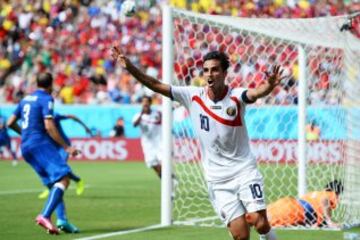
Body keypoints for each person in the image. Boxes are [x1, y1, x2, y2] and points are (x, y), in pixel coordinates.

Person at [112, 47, 286, 240]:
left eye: (215, 69)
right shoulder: (192, 95)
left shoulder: (236, 96)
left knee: (260, 223)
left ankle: (267, 235)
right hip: (217, 180)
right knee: (241, 236)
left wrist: (269, 87)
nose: (209, 74)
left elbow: (254, 93)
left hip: (244, 170)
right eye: (206, 70)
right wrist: (130, 67)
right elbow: (155, 84)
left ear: (224, 73)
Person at [7, 72, 81, 234]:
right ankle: (45, 216)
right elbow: (49, 125)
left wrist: (24, 134)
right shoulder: (46, 99)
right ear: (50, 85)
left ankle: (62, 221)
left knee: (54, 184)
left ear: (36, 83)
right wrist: (67, 147)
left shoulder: (25, 99)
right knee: (64, 178)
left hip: (25, 147)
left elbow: (10, 122)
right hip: (40, 143)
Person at [37, 112, 92, 199]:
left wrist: (85, 127)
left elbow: (72, 116)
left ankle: (77, 181)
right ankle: (53, 186)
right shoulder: (37, 119)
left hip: (63, 146)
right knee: (50, 167)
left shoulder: (53, 116)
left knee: (59, 167)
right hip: (51, 147)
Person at [267, 180, 343, 228]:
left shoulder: (314, 193)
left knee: (261, 217)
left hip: (287, 203)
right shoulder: (330, 193)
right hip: (292, 212)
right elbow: (324, 200)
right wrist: (329, 222)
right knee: (266, 223)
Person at [132, 95, 163, 178]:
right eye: (143, 102)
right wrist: (142, 114)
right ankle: (166, 180)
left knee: (164, 164)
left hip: (160, 143)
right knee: (154, 165)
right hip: (148, 145)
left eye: (146, 102)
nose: (145, 104)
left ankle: (169, 182)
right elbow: (134, 124)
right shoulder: (138, 116)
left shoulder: (157, 113)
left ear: (150, 103)